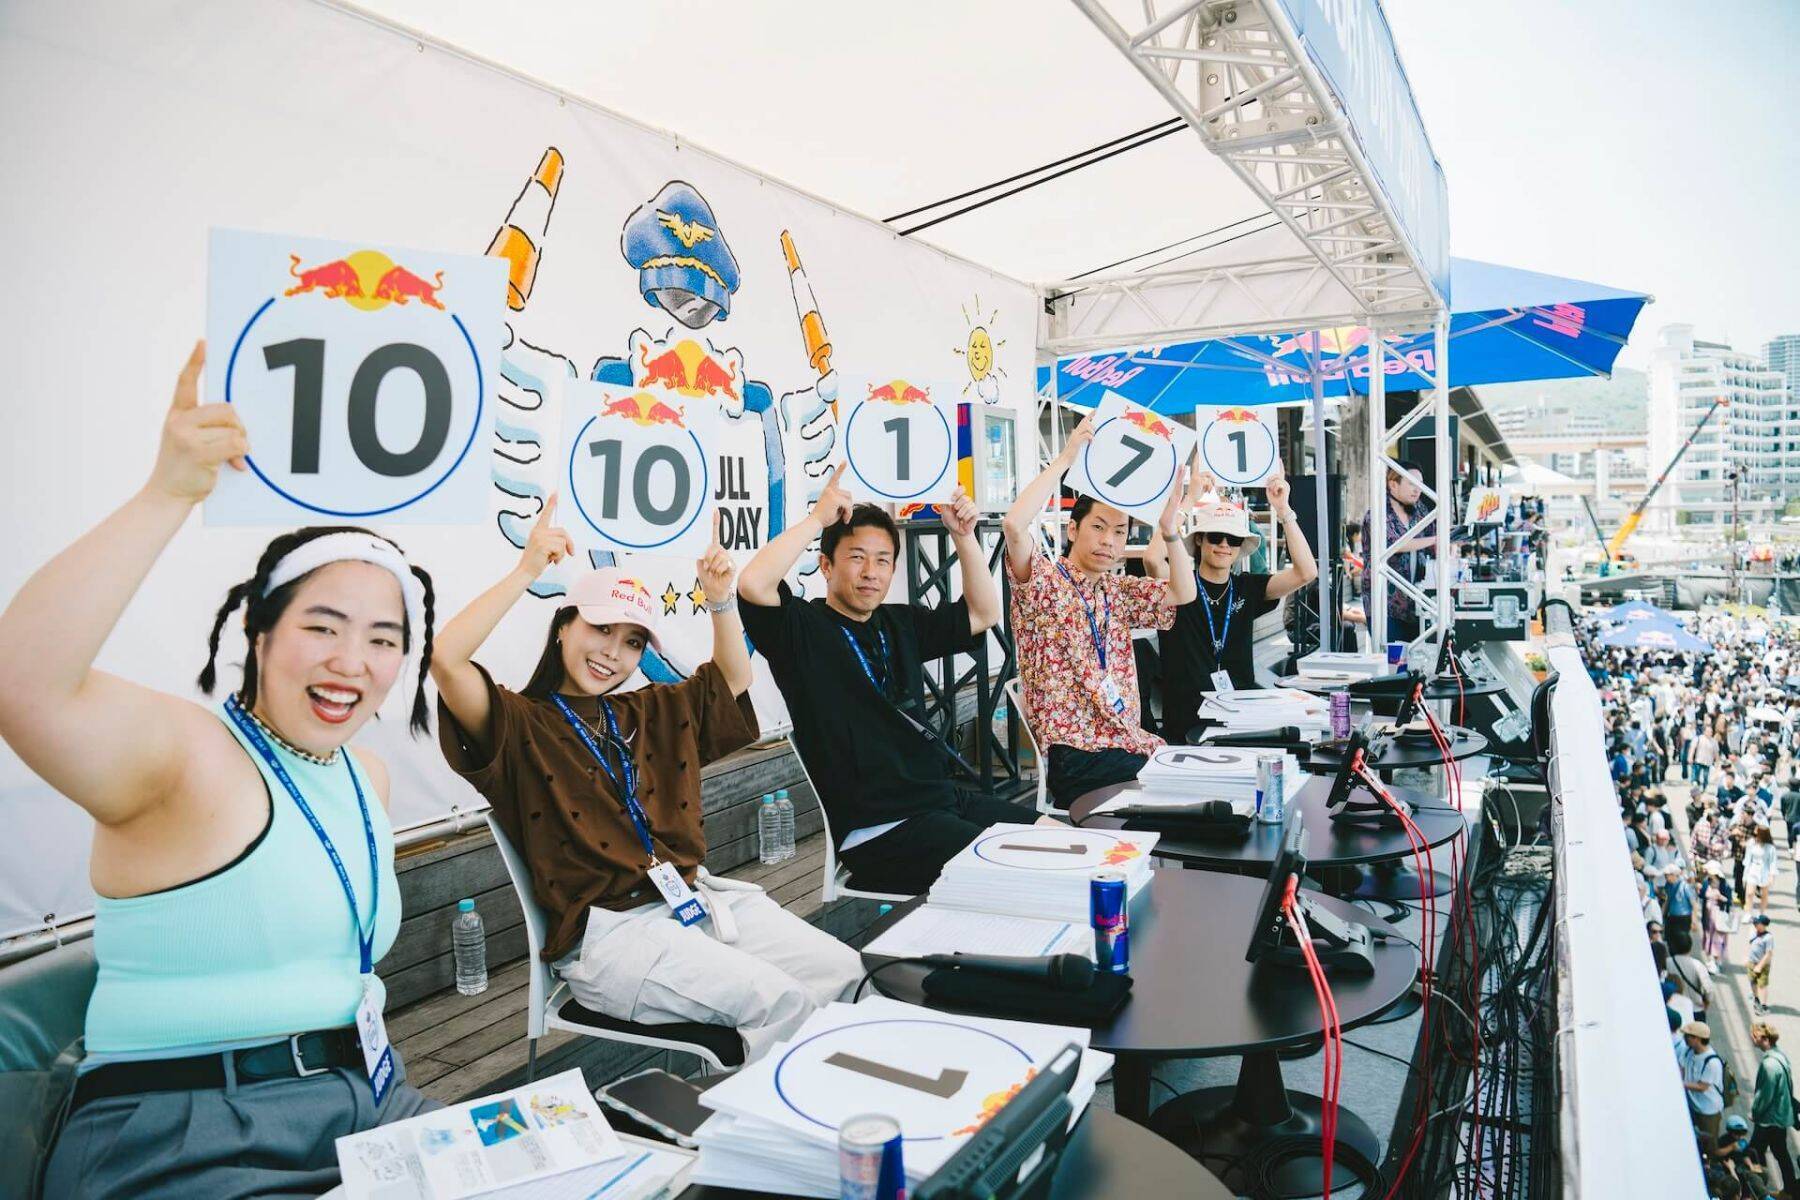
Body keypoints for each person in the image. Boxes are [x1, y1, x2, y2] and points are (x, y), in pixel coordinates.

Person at [0, 345, 443, 1198]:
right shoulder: (191, 756)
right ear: (260, 635)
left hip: (363, 1105)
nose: (353, 661)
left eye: (383, 639)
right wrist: (168, 492)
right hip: (185, 1131)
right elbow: (23, 684)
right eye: (322, 626)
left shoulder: (367, 778)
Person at [431, 499, 861, 1060]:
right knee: (780, 1001)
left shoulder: (645, 710)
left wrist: (720, 599)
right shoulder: (520, 723)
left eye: (632, 641)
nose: (613, 652)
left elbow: (733, 677)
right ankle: (780, 1134)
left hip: (696, 902)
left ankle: (852, 1116)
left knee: (845, 971)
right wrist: (527, 569)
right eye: (601, 628)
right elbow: (446, 658)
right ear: (563, 626)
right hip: (610, 938)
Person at [738, 469, 1038, 895]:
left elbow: (984, 613)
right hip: (879, 830)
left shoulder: (897, 622)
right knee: (1014, 872)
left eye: (882, 560)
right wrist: (816, 521)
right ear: (826, 565)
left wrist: (964, 536)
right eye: (856, 557)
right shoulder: (801, 630)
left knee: (1055, 838)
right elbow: (752, 583)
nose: (871, 572)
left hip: (941, 801)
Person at [1002, 417, 1196, 807]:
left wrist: (1170, 530)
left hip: (1126, 744)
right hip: (1074, 756)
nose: (1109, 541)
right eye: (1098, 527)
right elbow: (1013, 523)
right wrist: (1065, 459)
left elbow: (1183, 592)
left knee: (1195, 781)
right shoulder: (1044, 581)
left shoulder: (1115, 590)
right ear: (1073, 530)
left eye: (1120, 532)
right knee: (1186, 786)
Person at [1143, 468, 1318, 742]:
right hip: (1187, 723)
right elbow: (1153, 560)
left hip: (1242, 719)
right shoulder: (1180, 585)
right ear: (1199, 539)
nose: (1224, 545)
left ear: (1240, 547)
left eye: (1233, 539)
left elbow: (1306, 572)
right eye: (1215, 536)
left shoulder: (1247, 587)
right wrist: (1189, 500)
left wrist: (1284, 510)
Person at [1361, 462, 1438, 645]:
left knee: (1419, 659)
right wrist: (1437, 540)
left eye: (1420, 484)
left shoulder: (1420, 510)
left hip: (1418, 601)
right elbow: (1394, 545)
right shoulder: (1378, 513)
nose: (1417, 489)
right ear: (1393, 484)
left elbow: (1434, 538)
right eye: (1412, 483)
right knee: (1392, 662)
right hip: (1385, 603)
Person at [1750, 1022, 1798, 1197]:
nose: (1752, 1039)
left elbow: (1764, 1095)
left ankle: (1758, 1191)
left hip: (1769, 1119)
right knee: (1781, 1153)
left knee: (1753, 1153)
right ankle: (1791, 1190)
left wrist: (1755, 1112)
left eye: (1754, 1036)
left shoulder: (1769, 1065)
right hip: (1781, 1115)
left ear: (1764, 1039)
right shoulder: (1780, 1056)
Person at [1683, 1020, 1728, 1139]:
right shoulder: (1690, 1052)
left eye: (1688, 1036)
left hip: (1708, 1110)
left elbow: (1702, 1087)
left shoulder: (1712, 1063)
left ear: (1697, 1039)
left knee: (1709, 1141)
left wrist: (1680, 1084)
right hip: (1694, 1105)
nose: (1685, 1038)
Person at [1746, 825, 1780, 917]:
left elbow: (1773, 862)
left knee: (1764, 894)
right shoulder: (1751, 843)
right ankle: (1748, 913)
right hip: (1753, 870)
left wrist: (1772, 876)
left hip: (1764, 871)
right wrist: (1745, 873)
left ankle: (1761, 913)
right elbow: (1748, 858)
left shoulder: (1770, 848)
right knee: (1749, 893)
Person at [1749, 913, 1776, 1015]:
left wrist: (1760, 966)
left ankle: (1763, 1005)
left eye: (1757, 923)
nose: (1755, 924)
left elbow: (1769, 954)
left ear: (1763, 925)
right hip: (1752, 963)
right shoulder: (1755, 933)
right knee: (1753, 982)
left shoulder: (1768, 937)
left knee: (1762, 985)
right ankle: (1756, 999)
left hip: (1762, 965)